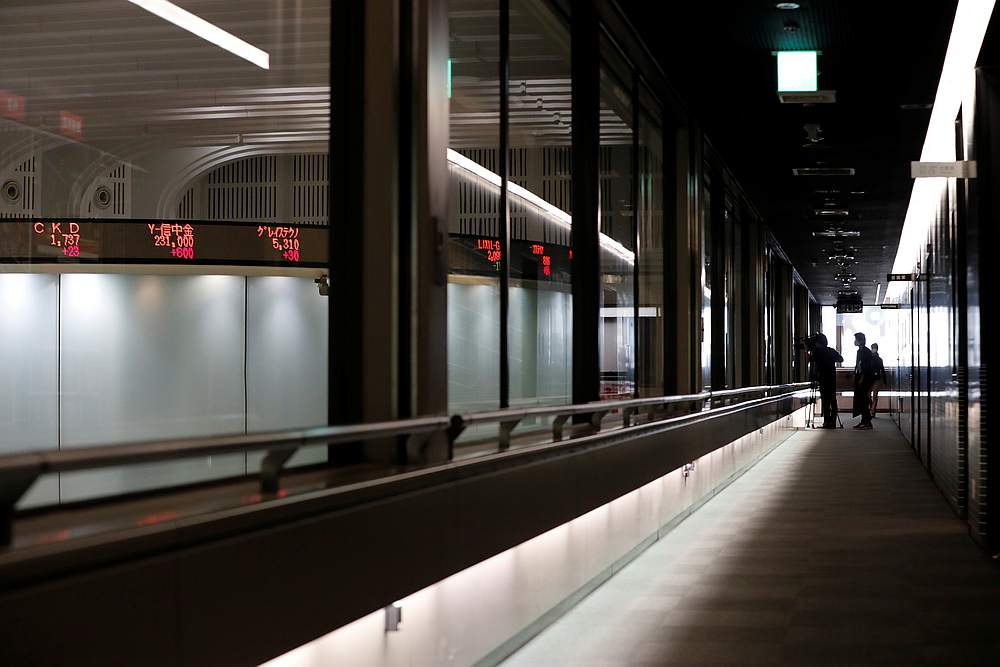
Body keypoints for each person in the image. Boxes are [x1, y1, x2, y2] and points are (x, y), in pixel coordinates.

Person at [808, 333, 843, 428]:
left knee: (825, 401)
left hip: (823, 378)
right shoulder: (831, 350)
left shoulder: (817, 351)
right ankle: (833, 421)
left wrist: (808, 350)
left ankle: (827, 422)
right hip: (831, 378)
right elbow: (841, 359)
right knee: (832, 400)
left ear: (818, 342)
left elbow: (810, 359)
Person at [852, 332, 875, 429]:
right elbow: (858, 365)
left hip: (865, 378)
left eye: (856, 339)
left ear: (860, 340)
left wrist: (861, 378)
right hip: (860, 377)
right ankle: (864, 420)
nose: (854, 341)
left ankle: (867, 422)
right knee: (861, 400)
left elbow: (866, 367)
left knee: (863, 400)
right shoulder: (860, 351)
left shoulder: (865, 351)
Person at [869, 342, 886, 418]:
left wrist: (885, 381)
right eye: (873, 347)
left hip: (877, 379)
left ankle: (873, 411)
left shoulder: (879, 359)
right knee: (868, 396)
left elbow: (882, 370)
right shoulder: (868, 358)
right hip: (869, 379)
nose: (874, 349)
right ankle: (870, 409)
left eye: (875, 348)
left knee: (875, 396)